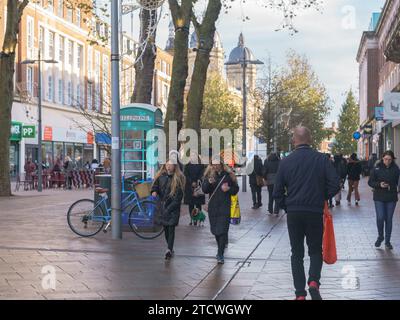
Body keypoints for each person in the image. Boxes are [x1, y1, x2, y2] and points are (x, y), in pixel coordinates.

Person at [273, 126, 340, 300]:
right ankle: (313, 281)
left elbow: (277, 191)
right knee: (315, 250)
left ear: (294, 140)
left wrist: (287, 206)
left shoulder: (286, 162)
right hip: (314, 211)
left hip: (294, 212)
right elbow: (335, 184)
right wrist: (321, 197)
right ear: (310, 140)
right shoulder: (321, 159)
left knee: (296, 253)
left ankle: (300, 293)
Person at [202, 157, 239, 265]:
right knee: (215, 231)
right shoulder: (209, 176)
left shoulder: (228, 176)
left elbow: (236, 189)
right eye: (213, 164)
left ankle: (220, 253)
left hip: (224, 206)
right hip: (213, 207)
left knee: (222, 230)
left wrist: (228, 189)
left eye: (217, 164)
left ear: (221, 164)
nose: (215, 166)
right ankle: (220, 248)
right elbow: (205, 190)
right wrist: (209, 183)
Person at [151, 160, 185, 260]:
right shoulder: (160, 176)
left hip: (173, 208)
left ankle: (169, 249)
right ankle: (170, 247)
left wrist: (169, 208)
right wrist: (154, 191)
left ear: (175, 166)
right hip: (162, 206)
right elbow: (155, 186)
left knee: (171, 228)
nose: (168, 166)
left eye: (171, 165)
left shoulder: (178, 178)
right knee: (166, 228)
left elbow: (178, 197)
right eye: (167, 164)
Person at [368, 151, 400, 250]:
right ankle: (380, 236)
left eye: (390, 160)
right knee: (380, 217)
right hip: (379, 196)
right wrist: (379, 184)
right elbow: (370, 182)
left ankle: (387, 241)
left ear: (392, 160)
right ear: (382, 158)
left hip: (391, 196)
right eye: (385, 159)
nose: (387, 161)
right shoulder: (377, 168)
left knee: (388, 219)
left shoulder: (396, 169)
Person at [183, 152, 206, 226]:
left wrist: (197, 181)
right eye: (192, 155)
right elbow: (186, 175)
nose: (193, 157)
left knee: (198, 204)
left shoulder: (201, 165)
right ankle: (192, 219)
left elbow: (202, 174)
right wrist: (191, 182)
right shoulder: (187, 166)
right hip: (189, 187)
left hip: (198, 186)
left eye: (194, 155)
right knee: (191, 204)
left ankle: (198, 218)